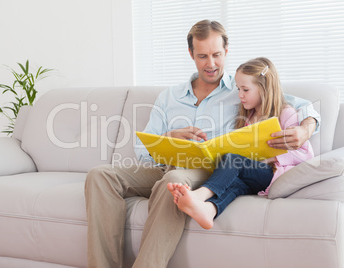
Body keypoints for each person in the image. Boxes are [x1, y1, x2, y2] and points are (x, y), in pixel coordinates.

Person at [85, 20, 320, 268]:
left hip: (206, 171)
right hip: (163, 165)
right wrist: (170, 138)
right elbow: (143, 151)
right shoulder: (169, 96)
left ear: (226, 52)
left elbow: (299, 104)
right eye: (202, 56)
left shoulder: (241, 89)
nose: (211, 64)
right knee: (100, 175)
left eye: (217, 55)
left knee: (173, 180)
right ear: (191, 55)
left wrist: (307, 127)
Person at [167, 57, 314, 230]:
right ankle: (209, 209)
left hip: (272, 174)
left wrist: (270, 157)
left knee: (232, 159)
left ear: (264, 89)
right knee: (235, 185)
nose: (240, 95)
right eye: (238, 89)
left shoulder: (286, 113)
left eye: (245, 89)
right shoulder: (248, 118)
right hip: (252, 176)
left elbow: (306, 155)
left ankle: (200, 195)